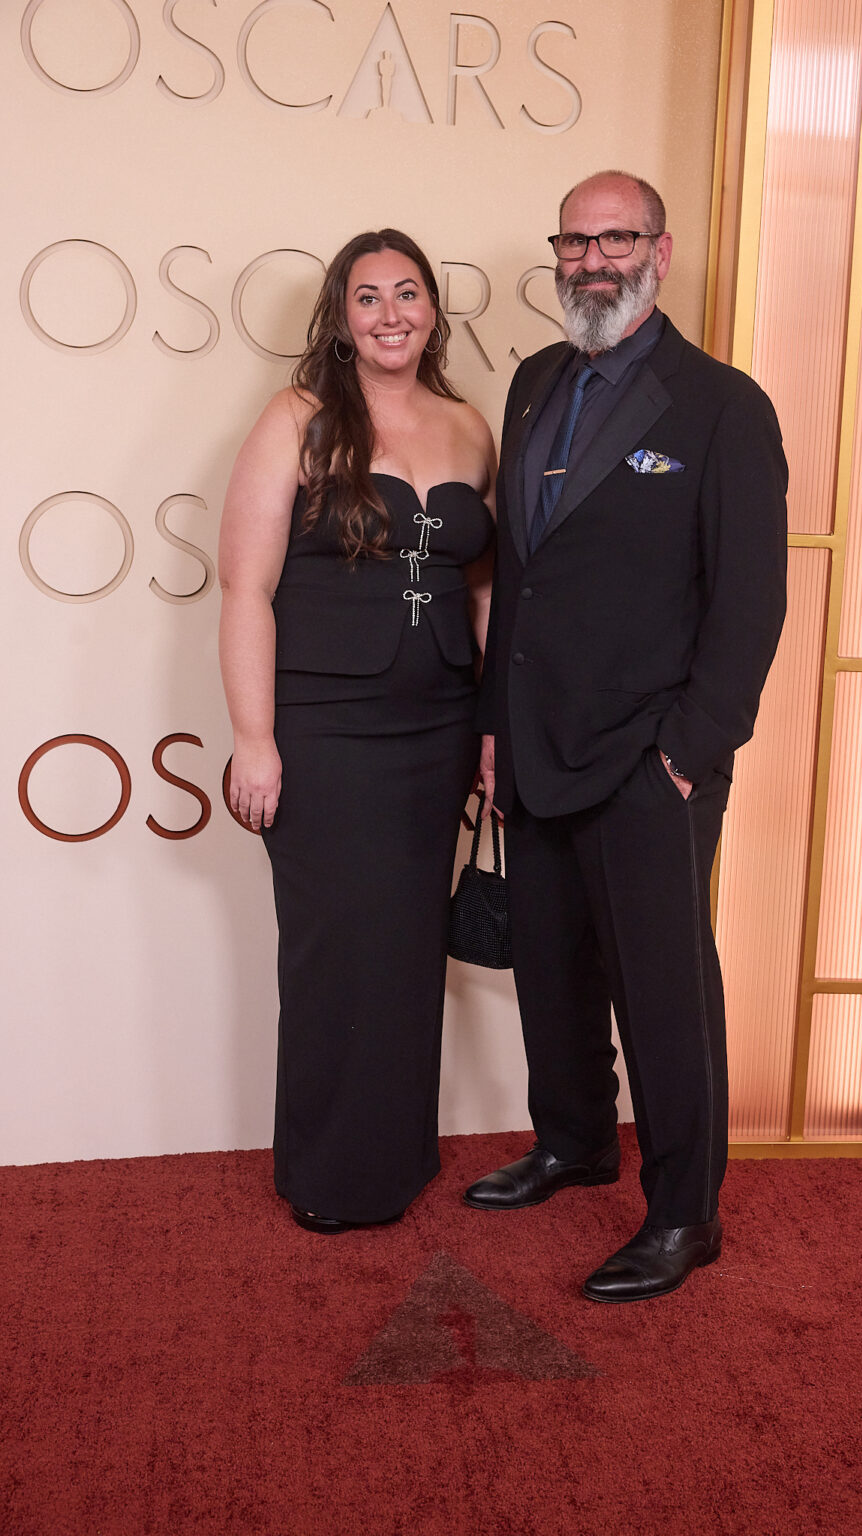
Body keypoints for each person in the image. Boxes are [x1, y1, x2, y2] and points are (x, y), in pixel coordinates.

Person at [466, 172, 788, 1302]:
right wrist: (495, 730)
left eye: (615, 238)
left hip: (651, 760)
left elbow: (748, 605)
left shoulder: (720, 405)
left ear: (658, 250)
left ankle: (684, 1215)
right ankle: (572, 1144)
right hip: (538, 742)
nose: (591, 259)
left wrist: (686, 756)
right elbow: (518, 576)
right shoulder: (532, 382)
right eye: (574, 239)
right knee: (550, 971)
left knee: (662, 994)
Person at [219, 229, 496, 1233]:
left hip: (437, 725)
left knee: (411, 948)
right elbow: (245, 585)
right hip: (325, 729)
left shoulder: (469, 427)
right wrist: (256, 739)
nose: (391, 314)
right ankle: (331, 1174)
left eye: (408, 293)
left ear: (432, 310)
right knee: (335, 950)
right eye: (368, 297)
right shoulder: (298, 416)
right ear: (341, 319)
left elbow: (481, 585)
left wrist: (492, 723)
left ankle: (397, 1155)